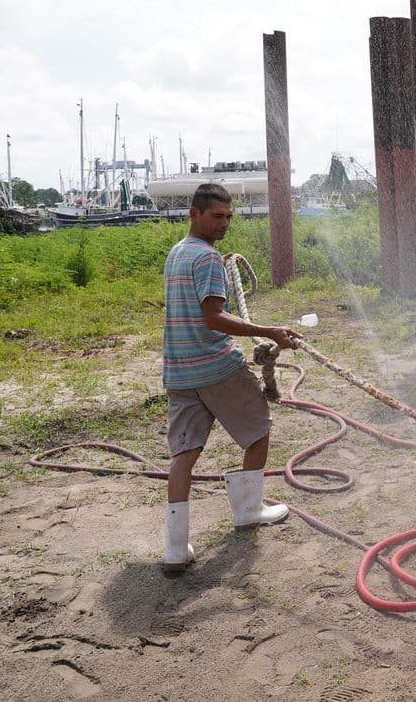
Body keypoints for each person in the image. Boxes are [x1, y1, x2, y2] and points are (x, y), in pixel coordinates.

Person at [161, 182, 300, 573]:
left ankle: (175, 550)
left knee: (184, 454)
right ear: (194, 213)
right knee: (258, 431)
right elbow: (214, 318)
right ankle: (249, 511)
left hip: (179, 370)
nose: (224, 224)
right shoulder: (207, 259)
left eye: (228, 217)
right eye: (216, 216)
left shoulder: (177, 253)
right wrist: (269, 330)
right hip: (215, 367)